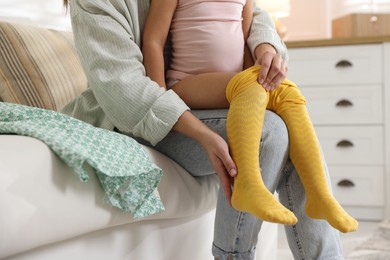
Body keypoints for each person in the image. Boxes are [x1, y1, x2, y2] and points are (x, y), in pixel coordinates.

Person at [62, 0, 346, 258]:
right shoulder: (92, 3)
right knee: (267, 131)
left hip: (202, 98)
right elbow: (125, 91)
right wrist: (201, 133)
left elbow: (248, 13)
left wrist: (266, 50)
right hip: (139, 117)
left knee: (287, 114)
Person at [142, 0, 358, 233]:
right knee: (249, 84)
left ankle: (320, 194)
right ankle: (247, 185)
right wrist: (161, 98)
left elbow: (245, 40)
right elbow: (153, 40)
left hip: (234, 84)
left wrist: (259, 84)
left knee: (288, 94)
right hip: (186, 83)